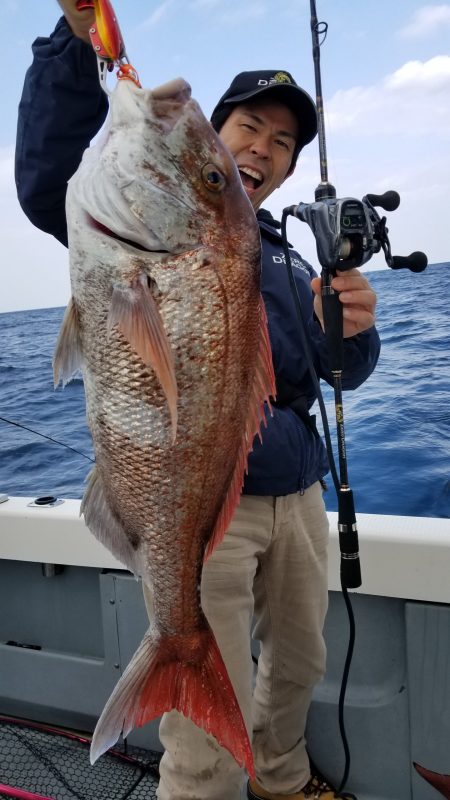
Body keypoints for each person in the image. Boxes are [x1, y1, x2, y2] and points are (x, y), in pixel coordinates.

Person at [15, 4, 380, 799]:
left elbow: (336, 372)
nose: (264, 149)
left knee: (299, 666)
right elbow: (45, 176)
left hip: (300, 500)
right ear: (219, 132)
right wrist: (76, 43)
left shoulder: (275, 259)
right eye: (248, 129)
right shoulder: (151, 228)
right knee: (202, 716)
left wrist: (354, 330)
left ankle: (283, 780)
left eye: (283, 143)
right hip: (209, 504)